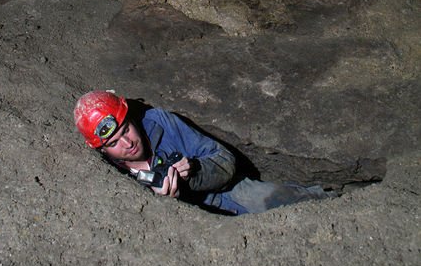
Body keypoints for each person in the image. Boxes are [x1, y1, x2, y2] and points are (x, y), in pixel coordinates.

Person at [74, 90, 336, 215]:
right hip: (194, 225)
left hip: (227, 193)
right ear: (102, 150)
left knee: (304, 206)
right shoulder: (108, 178)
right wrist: (167, 205)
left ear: (131, 116)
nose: (128, 142)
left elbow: (224, 160)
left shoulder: (159, 122)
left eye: (126, 128)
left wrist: (194, 174)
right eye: (115, 142)